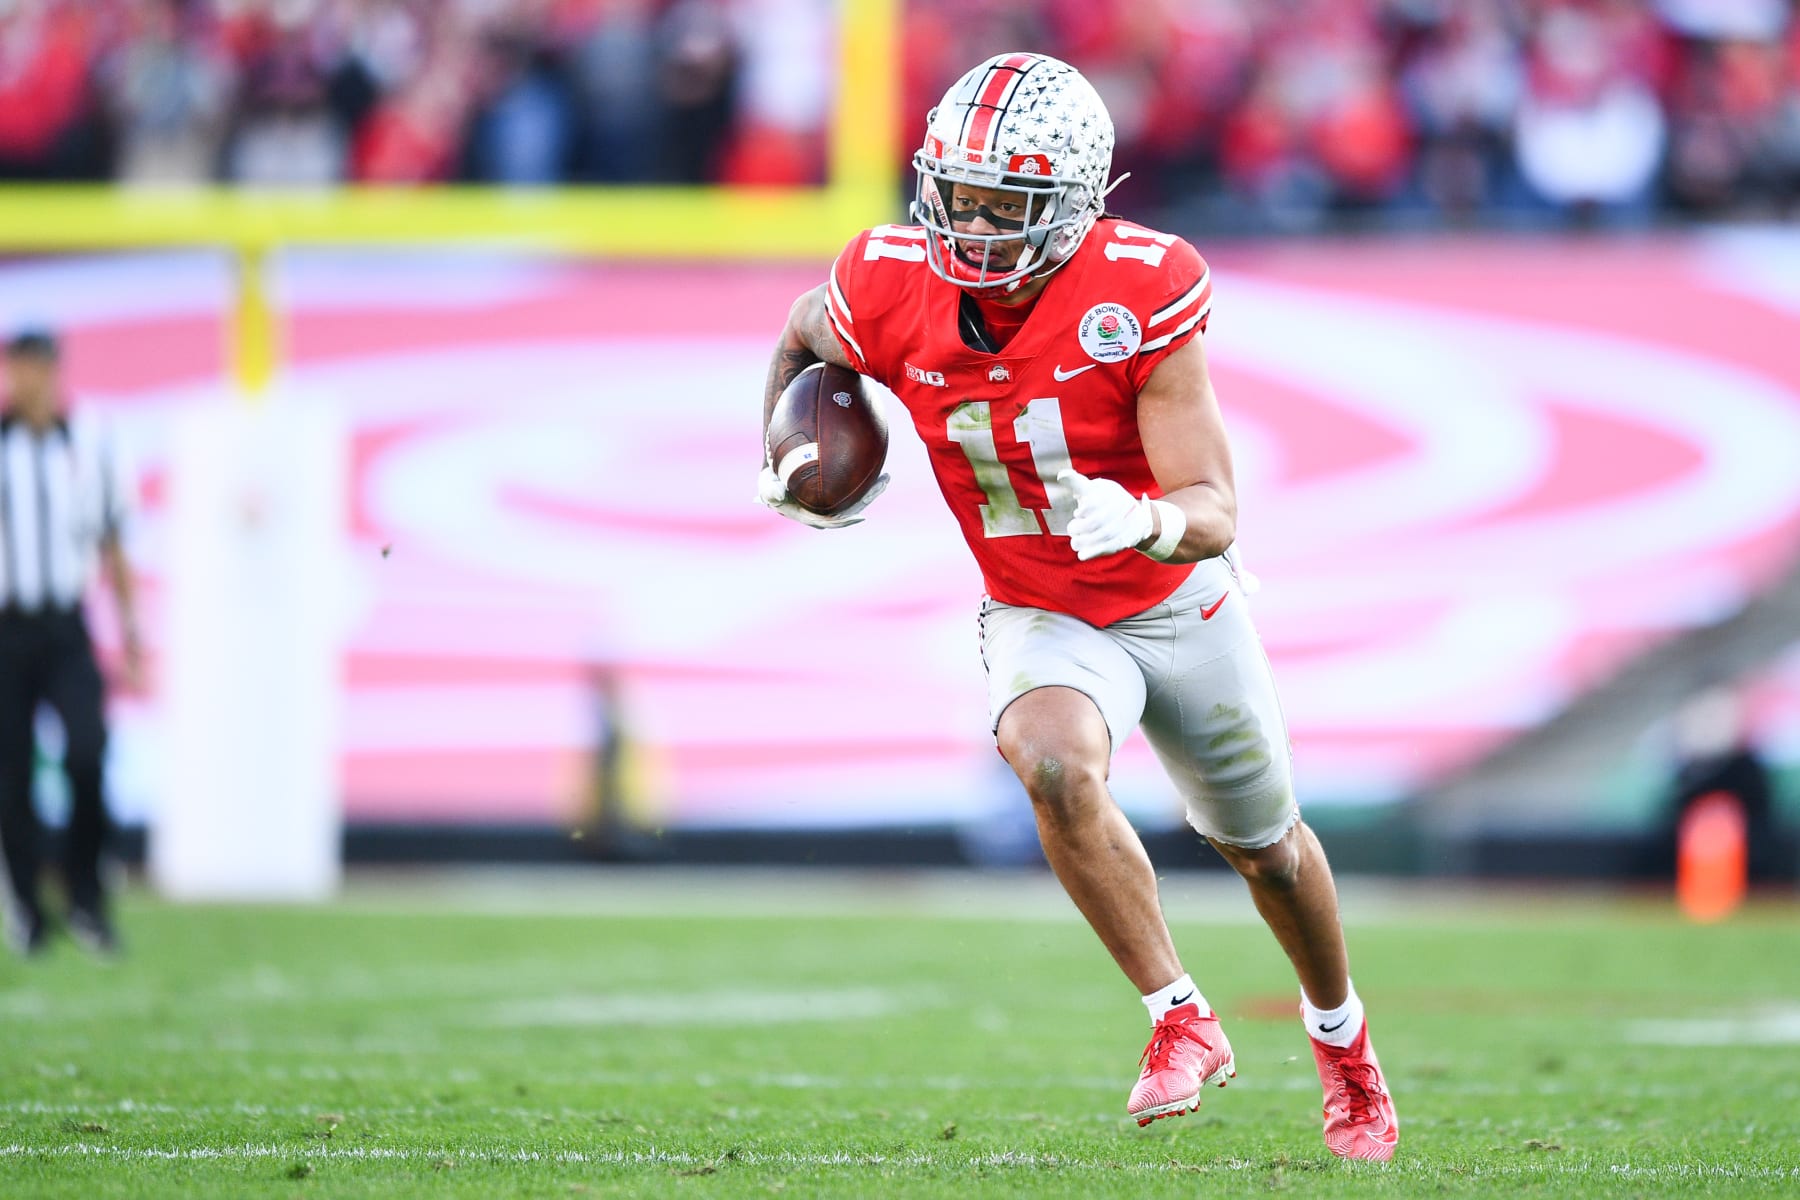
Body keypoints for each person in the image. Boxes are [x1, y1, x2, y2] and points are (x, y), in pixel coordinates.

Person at [757, 53, 1398, 1160]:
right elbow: (804, 339)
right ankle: (1179, 1020)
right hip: (1039, 602)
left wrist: (1145, 519)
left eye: (1004, 205)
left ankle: (1343, 1045)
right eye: (955, 193)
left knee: (1268, 850)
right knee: (1049, 759)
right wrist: (792, 451)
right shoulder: (888, 279)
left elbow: (1215, 506)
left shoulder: (1142, 288)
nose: (971, 223)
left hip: (1172, 596)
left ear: (1073, 205)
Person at [0, 328, 142, 957]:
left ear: (55, 371)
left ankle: (86, 898)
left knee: (88, 752)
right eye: (20, 366)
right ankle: (28, 907)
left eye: (39, 366)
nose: (30, 378)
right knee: (10, 774)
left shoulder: (91, 446)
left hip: (65, 626)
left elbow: (113, 545)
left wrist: (133, 635)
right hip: (5, 628)